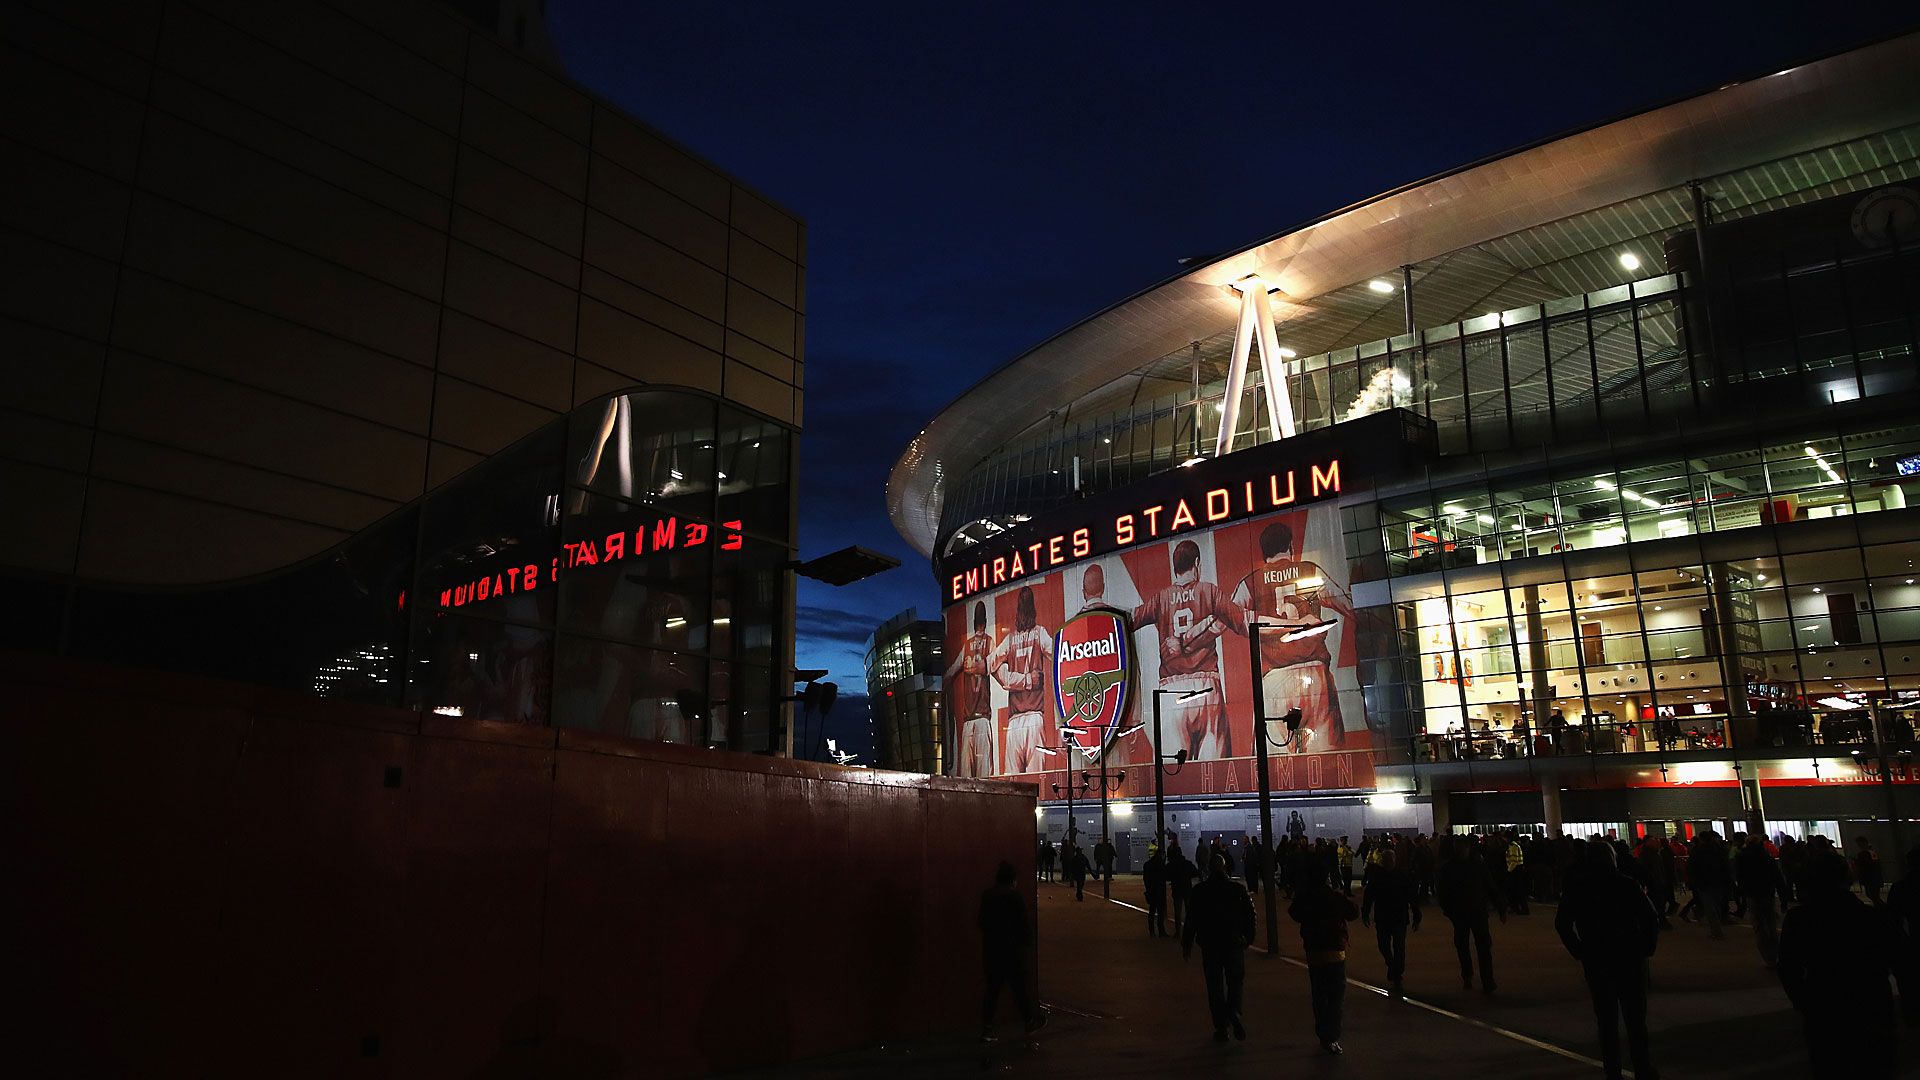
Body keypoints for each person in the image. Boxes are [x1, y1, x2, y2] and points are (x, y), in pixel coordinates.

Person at [1777, 847, 1915, 1075]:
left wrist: (1804, 1002)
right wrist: (1909, 1009)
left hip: (1824, 1007)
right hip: (1873, 1003)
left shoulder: (1799, 920)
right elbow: (1902, 963)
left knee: (1831, 1065)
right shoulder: (1872, 917)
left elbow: (1788, 968)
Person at [1134, 539, 1249, 759]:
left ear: (1174, 568)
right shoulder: (1209, 591)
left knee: (1175, 776)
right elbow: (1240, 619)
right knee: (1215, 772)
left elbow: (1130, 619)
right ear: (1197, 563)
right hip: (1206, 685)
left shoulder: (1161, 598)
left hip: (1171, 689)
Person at [1556, 842, 1660, 1080]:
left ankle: (1612, 1071)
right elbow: (1650, 918)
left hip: (1597, 958)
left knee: (1606, 1021)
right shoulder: (1626, 884)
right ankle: (1642, 1068)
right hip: (1629, 957)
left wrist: (1579, 950)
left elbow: (1562, 923)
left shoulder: (1578, 887)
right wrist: (1646, 948)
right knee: (1636, 1020)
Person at [1183, 853, 1255, 1042]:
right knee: (1235, 981)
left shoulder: (1200, 891)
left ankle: (1221, 1026)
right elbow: (1250, 914)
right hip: (1233, 943)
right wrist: (1249, 937)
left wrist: (1187, 943)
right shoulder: (1237, 889)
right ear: (1225, 868)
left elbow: (1191, 919)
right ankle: (1234, 1011)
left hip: (1210, 944)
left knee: (1214, 985)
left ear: (1208, 868)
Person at [1290, 866, 1360, 1055]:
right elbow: (1354, 912)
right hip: (1335, 950)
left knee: (1319, 994)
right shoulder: (1334, 897)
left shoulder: (1306, 898)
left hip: (1313, 951)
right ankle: (1332, 1036)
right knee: (1336, 996)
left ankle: (1322, 1034)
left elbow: (1294, 912)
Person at [987, 586, 1055, 774]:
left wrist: (1010, 679)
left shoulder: (1010, 640)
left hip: (1014, 721)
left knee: (1013, 788)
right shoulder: (1040, 633)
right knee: (1036, 784)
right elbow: (1059, 653)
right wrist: (1029, 680)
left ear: (1018, 610)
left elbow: (990, 663)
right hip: (1035, 717)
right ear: (1033, 609)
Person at [979, 861, 1046, 1041]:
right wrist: (1027, 944)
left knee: (992, 990)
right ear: (1012, 880)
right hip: (1012, 951)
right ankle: (1029, 1022)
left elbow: (982, 923)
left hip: (992, 951)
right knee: (1019, 989)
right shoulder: (1015, 897)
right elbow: (1024, 924)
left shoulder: (988, 895)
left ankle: (987, 1028)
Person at [1436, 837, 1500, 993]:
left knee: (1481, 947)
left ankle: (1486, 979)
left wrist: (1500, 905)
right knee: (1465, 946)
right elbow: (1442, 892)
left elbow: (1490, 886)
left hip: (1474, 912)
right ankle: (1470, 975)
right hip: (1463, 913)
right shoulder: (1469, 866)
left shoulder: (1460, 867)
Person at [1361, 847, 1422, 996]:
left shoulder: (1396, 877)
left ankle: (1395, 971)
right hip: (1390, 917)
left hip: (1394, 917)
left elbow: (1411, 896)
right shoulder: (1383, 877)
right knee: (1388, 945)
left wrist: (1416, 912)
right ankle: (1394, 968)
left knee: (1396, 946)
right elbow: (1369, 896)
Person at [1734, 832, 1789, 967]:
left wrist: (1741, 893)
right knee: (1771, 923)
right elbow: (1778, 877)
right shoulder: (1767, 857)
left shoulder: (1742, 857)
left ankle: (1768, 956)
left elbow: (1740, 877)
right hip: (1767, 892)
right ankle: (1776, 952)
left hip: (1752, 894)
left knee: (1759, 925)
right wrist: (1783, 898)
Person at [1688, 831, 1732, 940]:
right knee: (1716, 904)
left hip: (1704, 882)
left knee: (1710, 906)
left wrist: (1694, 881)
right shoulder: (1719, 850)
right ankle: (1717, 927)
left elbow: (1692, 867)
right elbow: (1726, 866)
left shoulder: (1697, 851)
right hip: (1718, 881)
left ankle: (1716, 931)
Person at [1169, 841, 1199, 937]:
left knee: (1177, 912)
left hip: (1177, 889)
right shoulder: (1187, 863)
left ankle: (1178, 932)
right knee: (1189, 911)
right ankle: (1190, 931)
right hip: (1187, 889)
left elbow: (1166, 875)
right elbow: (1195, 872)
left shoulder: (1172, 865)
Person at [1144, 845, 1169, 937]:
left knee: (1152, 911)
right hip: (1159, 891)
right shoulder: (1161, 866)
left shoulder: (1148, 865)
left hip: (1151, 891)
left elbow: (1146, 879)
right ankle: (1161, 931)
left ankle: (1152, 931)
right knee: (1160, 912)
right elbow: (1165, 877)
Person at [1854, 836, 1884, 905]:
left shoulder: (1864, 853)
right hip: (1873, 877)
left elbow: (1869, 864)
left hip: (1870, 878)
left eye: (1859, 844)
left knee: (1873, 896)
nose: (1859, 846)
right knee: (1873, 896)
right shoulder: (1872, 852)